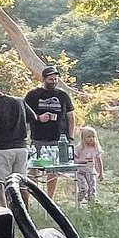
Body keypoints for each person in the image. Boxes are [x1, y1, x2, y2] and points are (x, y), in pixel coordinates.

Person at [24, 65, 75, 199]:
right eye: (50, 79)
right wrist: (39, 118)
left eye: (55, 78)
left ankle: (49, 199)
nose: (53, 81)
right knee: (34, 167)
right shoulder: (33, 95)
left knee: (53, 170)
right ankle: (29, 196)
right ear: (44, 79)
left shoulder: (63, 95)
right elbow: (24, 114)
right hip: (39, 137)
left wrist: (70, 136)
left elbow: (70, 116)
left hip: (59, 138)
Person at [74, 125, 104, 206]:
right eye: (88, 137)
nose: (91, 138)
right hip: (80, 172)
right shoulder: (79, 148)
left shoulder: (96, 148)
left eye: (93, 136)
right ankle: (77, 202)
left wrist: (101, 173)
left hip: (91, 172)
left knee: (92, 190)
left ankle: (92, 207)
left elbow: (99, 161)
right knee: (84, 189)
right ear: (83, 138)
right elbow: (73, 159)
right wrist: (80, 161)